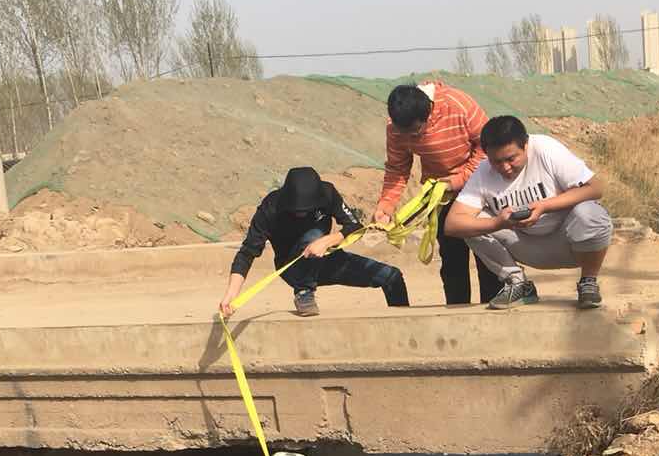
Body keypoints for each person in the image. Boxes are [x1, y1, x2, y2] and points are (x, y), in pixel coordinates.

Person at [444, 115, 613, 310]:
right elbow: (452, 224)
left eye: (511, 159)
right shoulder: (483, 171)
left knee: (590, 213)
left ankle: (588, 281)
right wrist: (498, 223)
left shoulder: (545, 149)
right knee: (471, 223)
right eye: (496, 161)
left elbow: (595, 188)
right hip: (526, 246)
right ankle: (519, 284)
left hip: (571, 244)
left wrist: (544, 206)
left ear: (525, 145)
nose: (505, 167)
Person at [373, 81, 503, 306]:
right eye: (405, 133)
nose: (411, 137)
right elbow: (397, 167)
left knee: (487, 255)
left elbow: (488, 145)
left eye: (416, 131)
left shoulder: (458, 105)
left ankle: (492, 311)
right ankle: (456, 312)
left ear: (429, 113)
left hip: (480, 189)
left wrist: (460, 179)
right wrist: (386, 204)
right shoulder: (396, 127)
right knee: (452, 259)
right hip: (442, 195)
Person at [220, 166, 408, 319]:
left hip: (328, 259)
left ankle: (403, 325)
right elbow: (247, 252)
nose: (301, 214)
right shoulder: (271, 207)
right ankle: (304, 293)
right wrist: (231, 294)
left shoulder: (327, 193)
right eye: (297, 211)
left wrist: (328, 240)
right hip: (292, 268)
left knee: (392, 277)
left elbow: (355, 227)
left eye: (306, 211)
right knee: (313, 236)